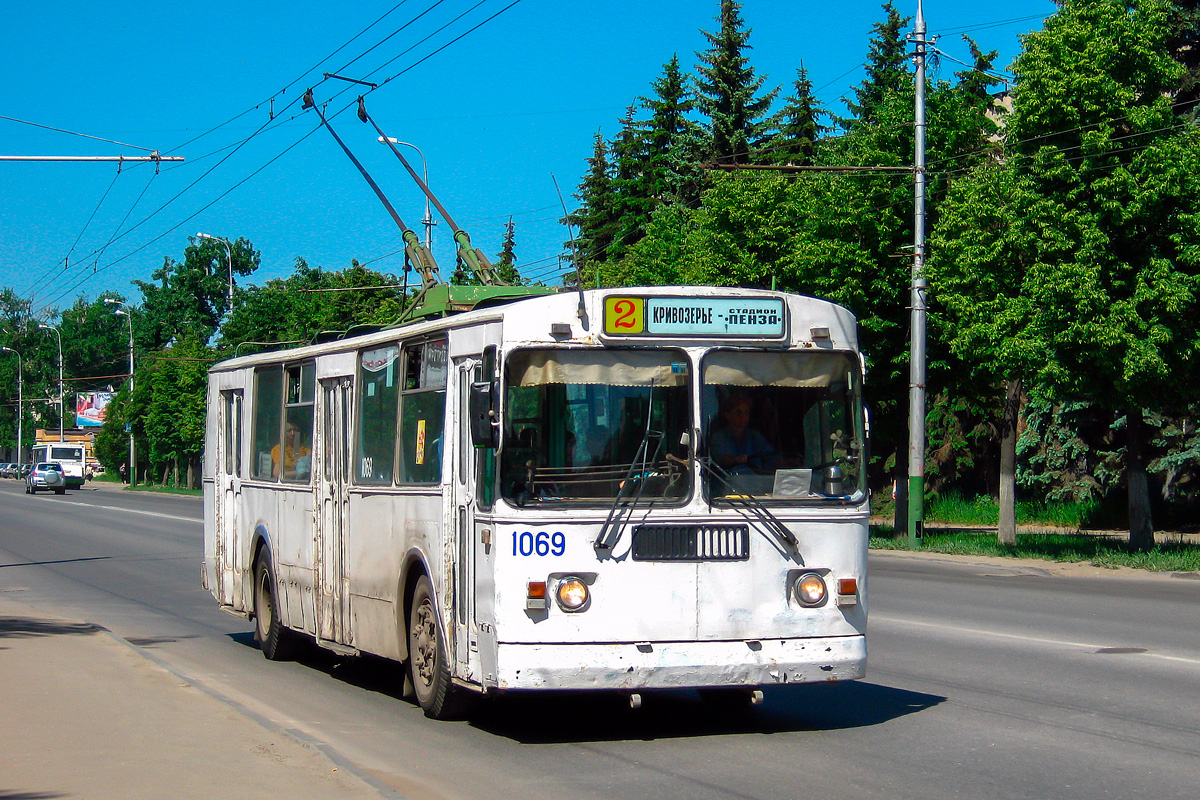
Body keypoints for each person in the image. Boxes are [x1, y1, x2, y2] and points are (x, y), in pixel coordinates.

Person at [709, 394, 777, 475]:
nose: (743, 416)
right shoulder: (719, 438)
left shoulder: (755, 437)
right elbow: (723, 460)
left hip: (756, 482)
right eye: (738, 412)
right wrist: (736, 460)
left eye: (746, 412)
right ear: (727, 415)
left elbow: (772, 458)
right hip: (727, 482)